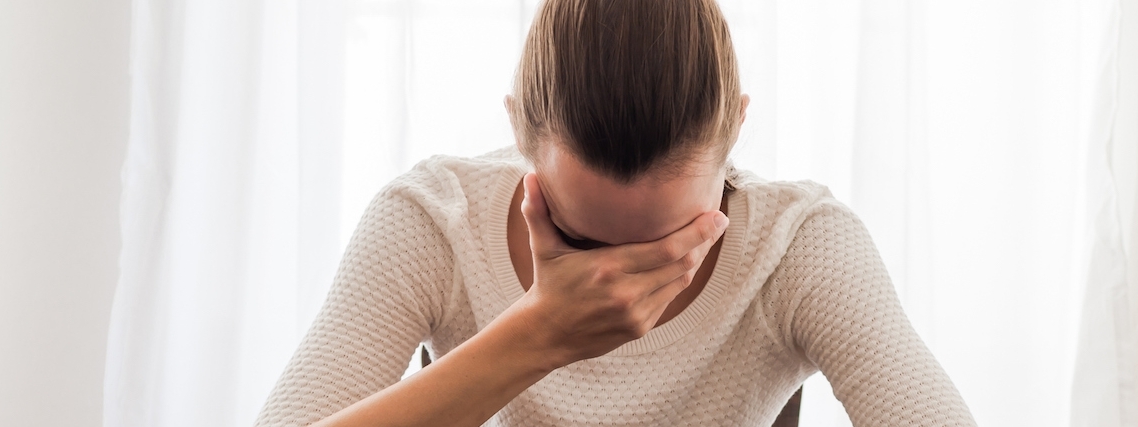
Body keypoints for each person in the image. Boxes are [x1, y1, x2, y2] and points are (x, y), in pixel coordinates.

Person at [256, 0, 977, 425]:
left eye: (670, 244)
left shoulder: (798, 245)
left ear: (737, 134)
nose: (618, 281)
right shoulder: (433, 223)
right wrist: (539, 332)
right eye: (580, 237)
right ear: (519, 134)